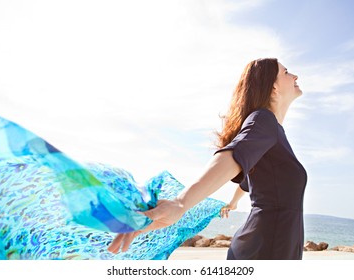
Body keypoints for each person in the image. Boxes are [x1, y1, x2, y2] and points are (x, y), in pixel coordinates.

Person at [107, 58, 307, 260]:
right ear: (273, 86)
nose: (295, 76)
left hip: (273, 242)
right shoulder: (264, 120)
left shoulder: (272, 131)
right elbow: (233, 156)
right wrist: (180, 204)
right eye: (286, 72)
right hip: (267, 247)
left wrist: (233, 202)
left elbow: (248, 177)